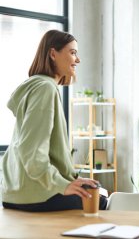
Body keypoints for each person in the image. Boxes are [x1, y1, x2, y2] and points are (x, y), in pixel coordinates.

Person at [1, 30, 107, 212]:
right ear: (52, 54)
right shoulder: (45, 89)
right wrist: (61, 185)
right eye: (72, 52)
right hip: (36, 195)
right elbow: (32, 152)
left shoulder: (36, 86)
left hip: (16, 192)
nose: (78, 60)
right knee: (99, 200)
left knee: (96, 192)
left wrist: (70, 181)